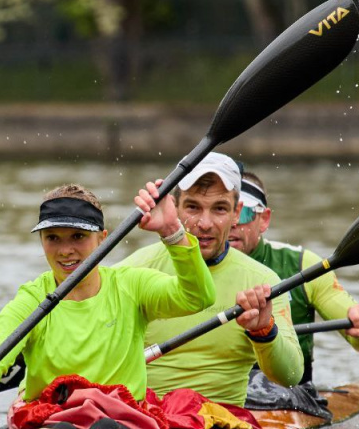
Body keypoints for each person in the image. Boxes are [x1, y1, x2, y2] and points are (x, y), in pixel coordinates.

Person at [0, 181, 216, 405]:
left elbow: (198, 297)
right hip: (47, 423)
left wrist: (171, 231)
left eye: (78, 236)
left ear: (103, 238)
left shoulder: (132, 286)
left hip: (121, 422)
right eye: (53, 237)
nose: (65, 251)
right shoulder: (32, 298)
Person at [119, 153, 304, 407]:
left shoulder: (262, 281)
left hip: (222, 426)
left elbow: (291, 376)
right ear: (174, 206)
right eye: (193, 207)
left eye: (219, 209)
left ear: (237, 212)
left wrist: (264, 331)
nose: (204, 224)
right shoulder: (135, 269)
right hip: (145, 421)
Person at [229, 169, 359, 384]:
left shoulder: (304, 266)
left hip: (289, 394)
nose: (231, 223)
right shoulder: (184, 267)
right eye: (221, 211)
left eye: (242, 213)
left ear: (263, 219)